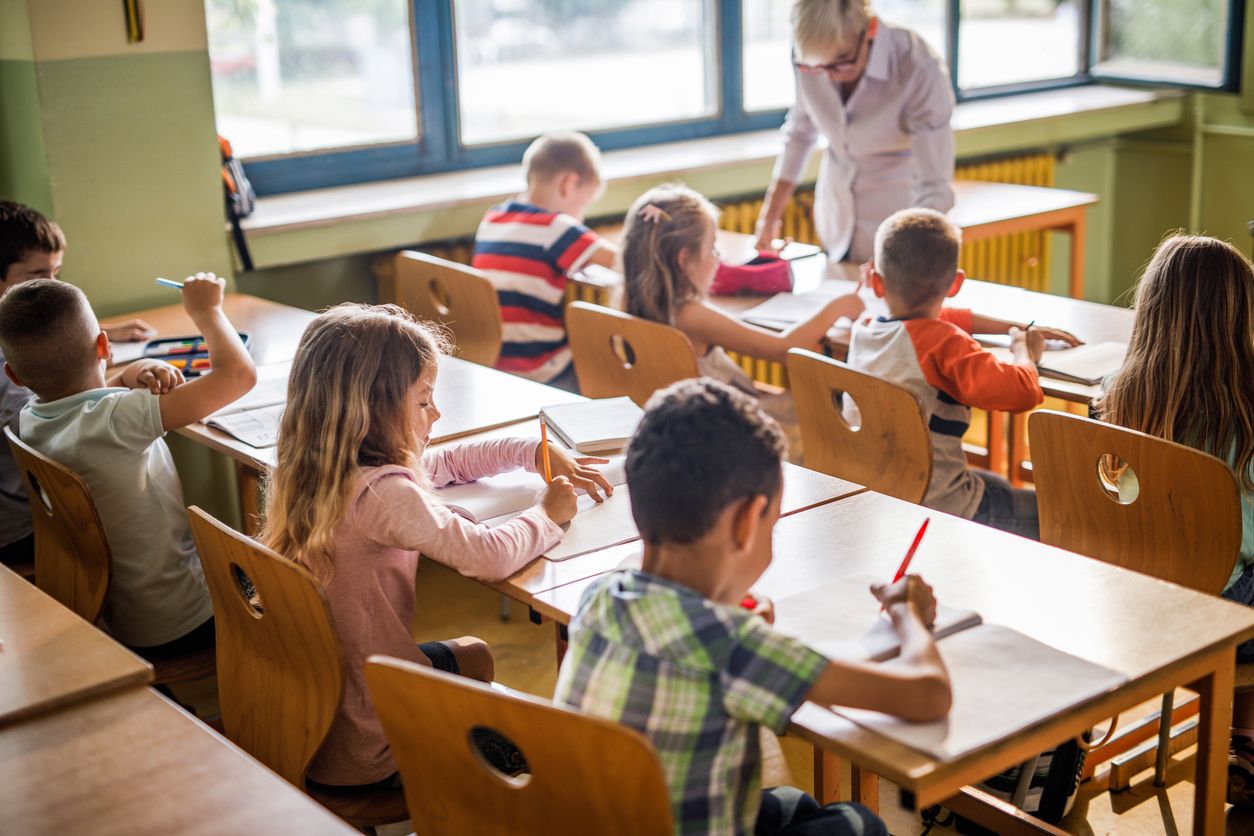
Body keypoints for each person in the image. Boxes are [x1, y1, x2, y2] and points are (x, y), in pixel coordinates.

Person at [555, 378, 951, 835]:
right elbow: (928, 696)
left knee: (792, 804)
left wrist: (732, 614)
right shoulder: (732, 648)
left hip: (619, 820)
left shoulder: (599, 595)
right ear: (746, 522)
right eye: (774, 523)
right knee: (859, 823)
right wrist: (906, 612)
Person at [262, 302, 612, 787]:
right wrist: (547, 515)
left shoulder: (316, 468)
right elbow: (487, 556)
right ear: (375, 409)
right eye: (424, 401)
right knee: (546, 742)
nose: (437, 413)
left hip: (320, 718)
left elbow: (444, 463)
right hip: (373, 742)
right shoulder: (384, 495)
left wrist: (529, 452)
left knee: (473, 657)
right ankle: (479, 796)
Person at [0, 274, 255, 651]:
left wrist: (139, 369)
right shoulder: (118, 417)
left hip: (125, 618)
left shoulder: (31, 420)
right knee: (280, 572)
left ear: (14, 375)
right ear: (104, 346)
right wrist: (208, 311)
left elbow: (94, 396)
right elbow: (238, 375)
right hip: (185, 617)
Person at [1095, 234, 1254, 806]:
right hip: (1212, 617)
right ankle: (1246, 740)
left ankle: (1241, 741)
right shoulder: (1247, 415)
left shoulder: (1122, 392)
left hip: (1132, 595)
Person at [847, 209, 1078, 539]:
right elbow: (1021, 391)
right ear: (956, 283)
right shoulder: (942, 342)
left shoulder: (865, 330)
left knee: (996, 482)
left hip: (880, 489)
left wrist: (1012, 326)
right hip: (939, 504)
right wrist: (1023, 349)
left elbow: (938, 318)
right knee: (1064, 513)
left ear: (877, 283)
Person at [622, 183, 862, 456]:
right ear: (684, 259)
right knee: (825, 412)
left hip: (678, 426)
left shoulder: (628, 303)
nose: (718, 257)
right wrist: (838, 307)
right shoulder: (690, 314)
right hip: (730, 434)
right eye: (712, 248)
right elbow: (783, 348)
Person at [0, 200, 155, 567]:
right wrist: (117, 376)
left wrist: (82, 335)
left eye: (57, 272)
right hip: (30, 529)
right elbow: (68, 415)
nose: (51, 285)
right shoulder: (8, 365)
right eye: (37, 276)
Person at [754, 0, 955, 264]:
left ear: (870, 29)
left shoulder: (917, 66)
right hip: (835, 222)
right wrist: (769, 217)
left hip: (898, 225)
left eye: (841, 61)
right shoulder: (809, 54)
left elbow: (935, 187)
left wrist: (906, 255)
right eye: (816, 67)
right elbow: (800, 132)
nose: (828, 76)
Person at [472, 131, 619, 391]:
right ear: (568, 184)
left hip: (490, 363)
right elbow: (622, 261)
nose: (581, 217)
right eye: (584, 203)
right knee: (608, 368)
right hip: (539, 369)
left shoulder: (493, 218)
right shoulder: (558, 229)